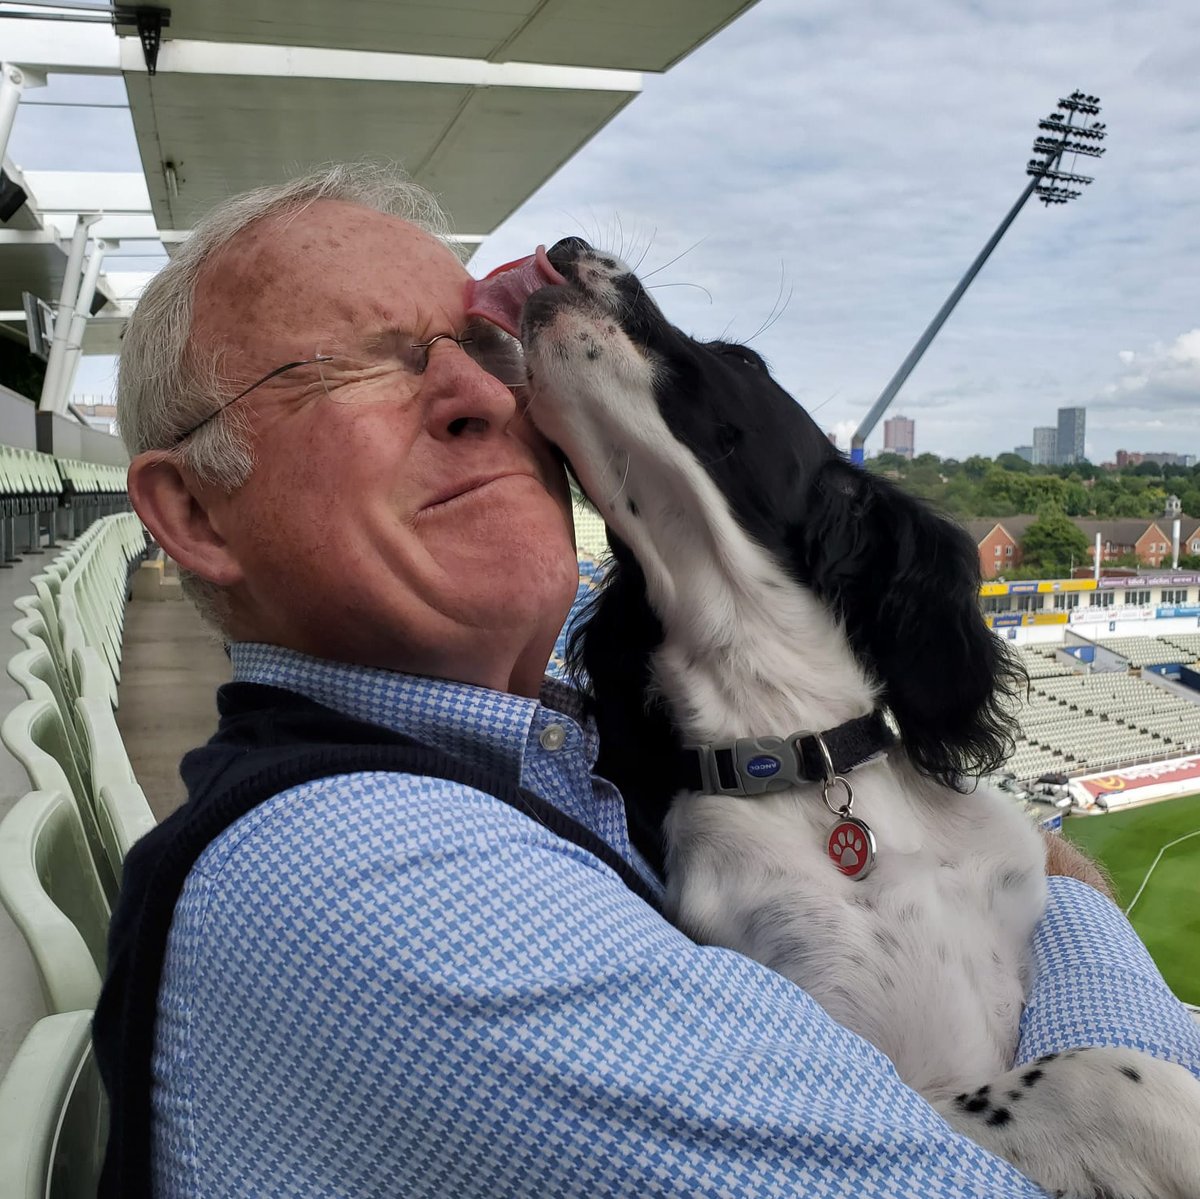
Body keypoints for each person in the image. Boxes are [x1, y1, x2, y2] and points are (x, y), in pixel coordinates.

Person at [96, 163, 1200, 1198]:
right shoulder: (358, 874)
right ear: (194, 511)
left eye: (471, 345)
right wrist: (1081, 916)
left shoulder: (540, 728)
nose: (477, 393)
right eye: (353, 365)